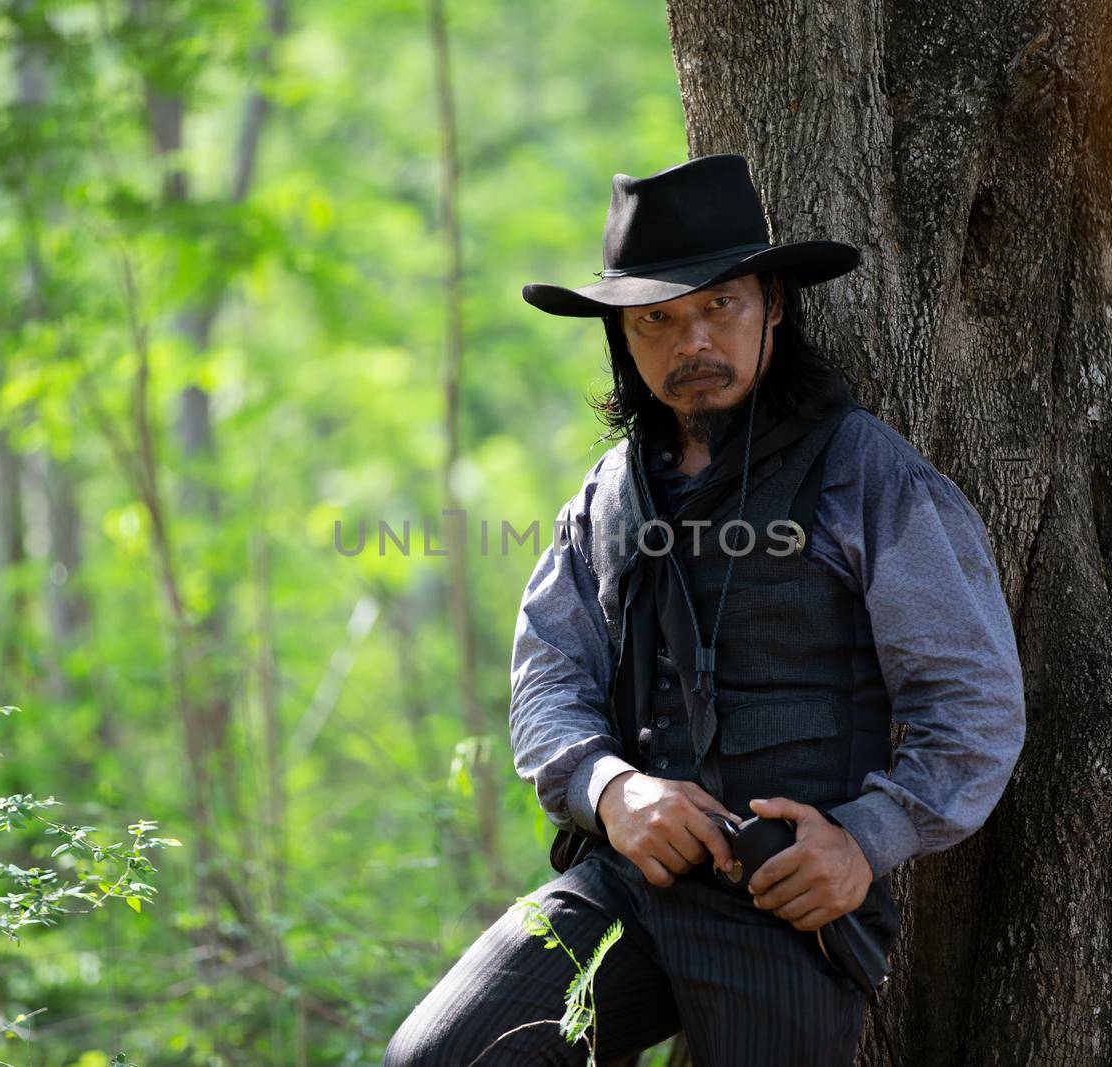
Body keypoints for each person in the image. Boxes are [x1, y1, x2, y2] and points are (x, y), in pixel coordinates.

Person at [384, 153, 1026, 1065]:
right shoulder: (609, 495)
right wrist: (612, 789)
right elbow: (548, 679)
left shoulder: (867, 474)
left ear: (772, 304)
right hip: (629, 880)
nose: (692, 341)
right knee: (440, 1059)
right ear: (624, 339)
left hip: (785, 904)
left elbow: (973, 702)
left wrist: (865, 841)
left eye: (719, 305)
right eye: (657, 320)